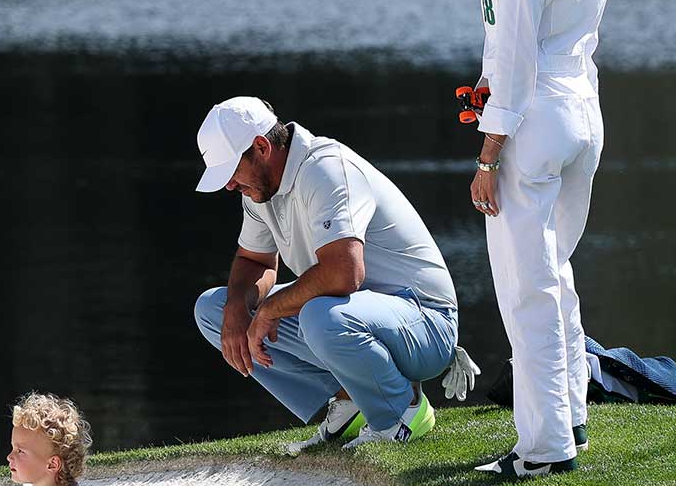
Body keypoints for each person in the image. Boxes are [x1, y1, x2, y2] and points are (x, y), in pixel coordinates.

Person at [442, 0, 614, 479]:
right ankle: (570, 416)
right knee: (555, 277)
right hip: (583, 116)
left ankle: (544, 449)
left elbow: (512, 64)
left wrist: (488, 156)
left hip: (535, 125)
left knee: (526, 291)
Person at [190, 97, 470, 454]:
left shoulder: (325, 169)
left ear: (262, 147)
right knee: (213, 310)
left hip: (426, 324)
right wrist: (237, 306)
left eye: (231, 171)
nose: (229, 185)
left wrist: (271, 309)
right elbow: (254, 261)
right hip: (357, 317)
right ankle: (352, 399)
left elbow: (344, 273)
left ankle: (401, 412)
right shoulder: (259, 189)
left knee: (320, 316)